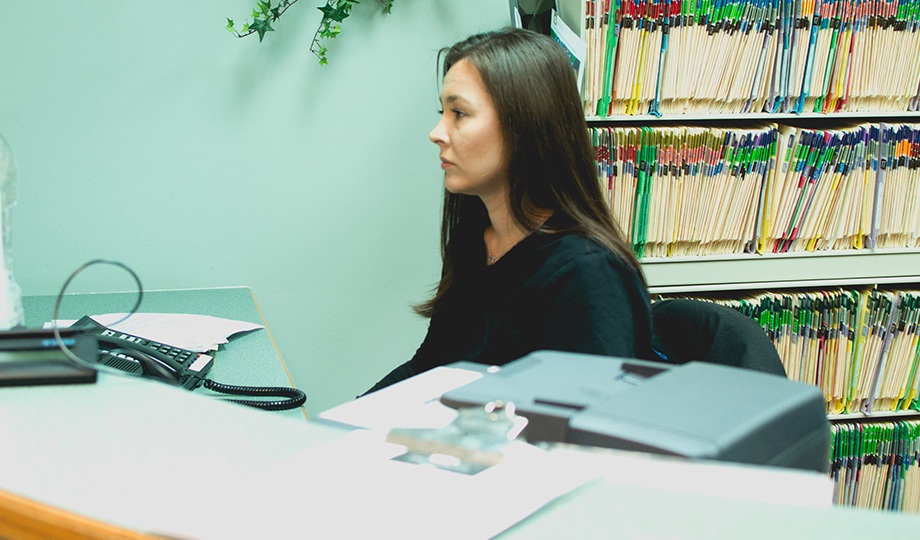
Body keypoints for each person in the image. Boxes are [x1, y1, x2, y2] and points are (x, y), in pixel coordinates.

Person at [364, 27, 655, 394]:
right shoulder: (475, 238)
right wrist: (337, 427)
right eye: (443, 112)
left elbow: (592, 431)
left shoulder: (587, 273)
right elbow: (433, 364)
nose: (437, 132)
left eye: (459, 113)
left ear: (525, 124)